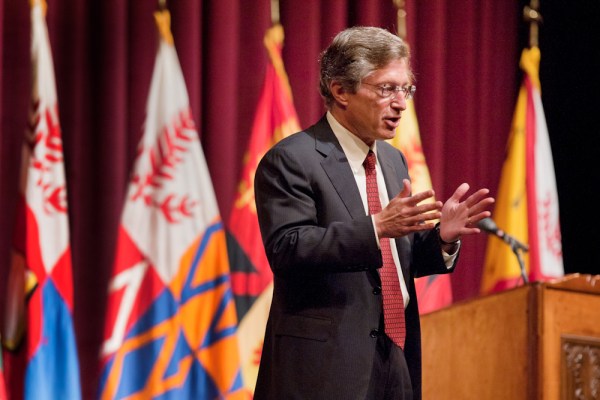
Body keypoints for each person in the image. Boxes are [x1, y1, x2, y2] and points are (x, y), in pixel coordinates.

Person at [253, 26, 494, 400]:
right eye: (386, 89)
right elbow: (287, 247)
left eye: (406, 89)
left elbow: (395, 263)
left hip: (395, 358)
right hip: (325, 367)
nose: (401, 103)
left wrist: (442, 239)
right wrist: (376, 226)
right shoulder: (292, 159)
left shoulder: (393, 161)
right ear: (340, 91)